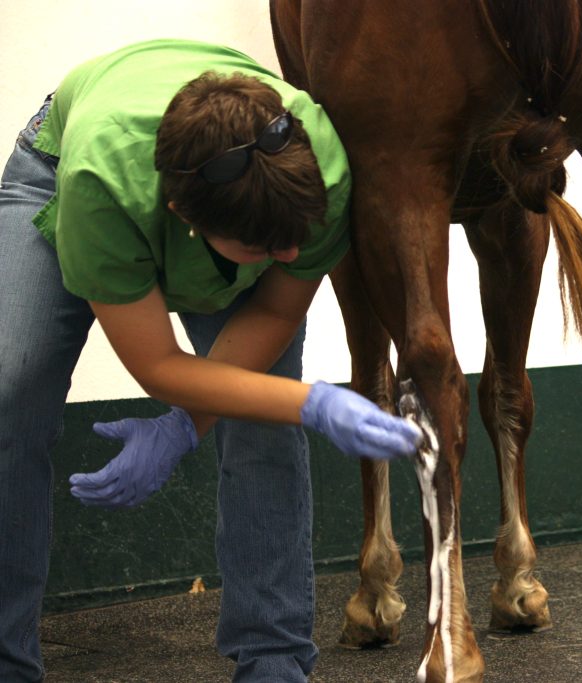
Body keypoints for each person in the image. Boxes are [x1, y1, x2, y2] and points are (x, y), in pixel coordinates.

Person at [0, 39, 423, 682]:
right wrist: (315, 403)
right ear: (182, 220)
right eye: (264, 245)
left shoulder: (319, 170)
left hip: (219, 175)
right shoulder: (102, 188)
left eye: (297, 239)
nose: (288, 257)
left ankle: (274, 661)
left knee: (263, 414)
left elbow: (276, 314)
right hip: (65, 156)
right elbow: (159, 364)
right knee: (10, 388)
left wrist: (184, 426)